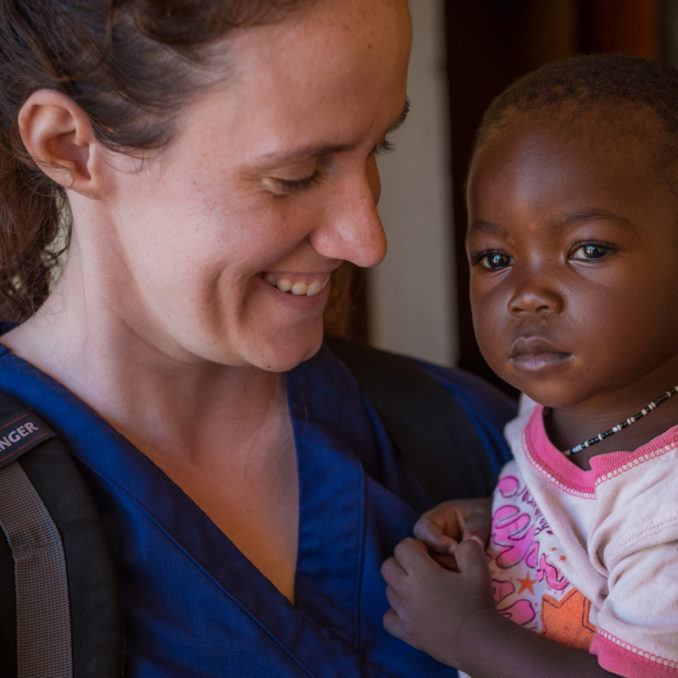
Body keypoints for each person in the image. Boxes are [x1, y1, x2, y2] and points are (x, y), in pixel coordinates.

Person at [0, 1, 515, 675]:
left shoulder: (481, 442)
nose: (366, 240)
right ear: (70, 146)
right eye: (293, 177)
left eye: (377, 148)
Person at [381, 53, 678, 678]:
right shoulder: (565, 392)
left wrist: (463, 633)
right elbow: (584, 527)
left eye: (587, 249)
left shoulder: (665, 509)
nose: (526, 294)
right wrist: (512, 527)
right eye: (493, 258)